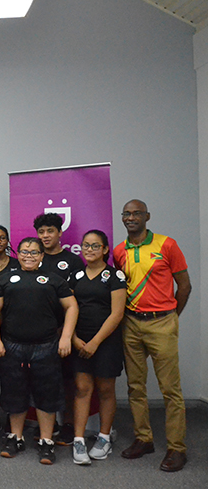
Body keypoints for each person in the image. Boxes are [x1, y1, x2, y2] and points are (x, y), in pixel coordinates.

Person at [113, 199, 191, 472]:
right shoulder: (119, 250)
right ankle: (144, 439)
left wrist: (171, 316)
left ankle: (176, 448)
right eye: (127, 213)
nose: (131, 217)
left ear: (147, 216)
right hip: (131, 324)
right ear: (122, 218)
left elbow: (184, 285)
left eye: (137, 213)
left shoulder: (166, 245)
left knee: (170, 390)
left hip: (162, 324)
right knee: (136, 386)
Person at [0, 237, 78, 465]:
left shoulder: (54, 280)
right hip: (12, 345)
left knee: (46, 394)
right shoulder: (5, 279)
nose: (29, 255)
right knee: (14, 393)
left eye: (34, 252)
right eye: (25, 252)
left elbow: (71, 307)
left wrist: (66, 337)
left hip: (46, 346)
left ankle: (46, 441)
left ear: (41, 256)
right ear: (18, 254)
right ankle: (15, 437)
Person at [69, 229, 126, 465]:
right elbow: (67, 309)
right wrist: (73, 339)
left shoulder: (115, 277)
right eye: (85, 245)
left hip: (106, 341)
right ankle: (79, 440)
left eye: (95, 246)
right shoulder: (75, 276)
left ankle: (104, 437)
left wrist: (95, 342)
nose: (89, 250)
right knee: (82, 388)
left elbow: (117, 314)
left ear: (105, 249)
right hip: (79, 340)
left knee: (105, 389)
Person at [34, 212, 85, 445]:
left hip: (64, 332)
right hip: (39, 333)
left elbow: (75, 301)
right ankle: (48, 424)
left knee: (67, 380)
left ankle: (68, 425)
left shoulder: (73, 261)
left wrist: (66, 330)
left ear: (60, 233)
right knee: (42, 380)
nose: (45, 236)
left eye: (50, 231)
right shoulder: (34, 258)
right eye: (41, 232)